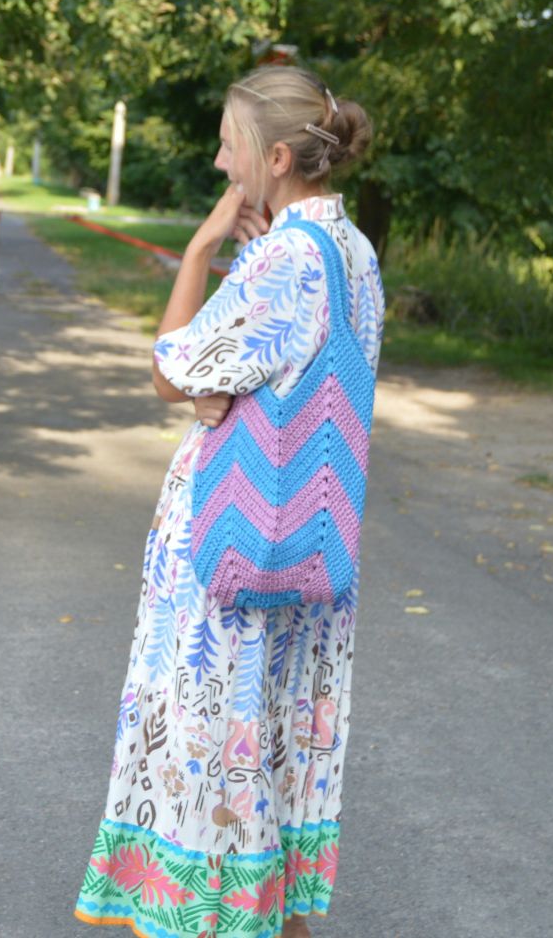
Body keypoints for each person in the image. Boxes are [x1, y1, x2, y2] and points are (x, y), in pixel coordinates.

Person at [74, 66, 381, 938]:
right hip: (310, 544)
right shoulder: (353, 251)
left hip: (235, 544)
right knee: (276, 752)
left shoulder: (284, 256)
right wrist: (227, 382)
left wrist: (204, 250)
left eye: (230, 145)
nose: (219, 163)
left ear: (277, 158)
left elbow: (172, 368)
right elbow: (276, 373)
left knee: (219, 750)